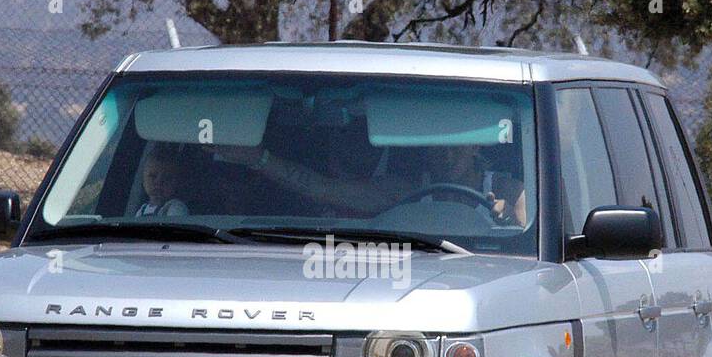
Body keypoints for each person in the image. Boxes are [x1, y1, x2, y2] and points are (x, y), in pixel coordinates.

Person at [208, 141, 527, 225]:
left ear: (476, 147)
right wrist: (258, 158)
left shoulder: (509, 189)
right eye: (439, 144)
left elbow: (527, 246)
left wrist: (507, 220)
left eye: (457, 145)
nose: (447, 154)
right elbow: (321, 188)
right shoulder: (408, 192)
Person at [136, 145, 190, 217]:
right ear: (143, 180)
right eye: (152, 176)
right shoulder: (142, 210)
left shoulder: (175, 208)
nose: (159, 182)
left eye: (167, 178)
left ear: (177, 183)